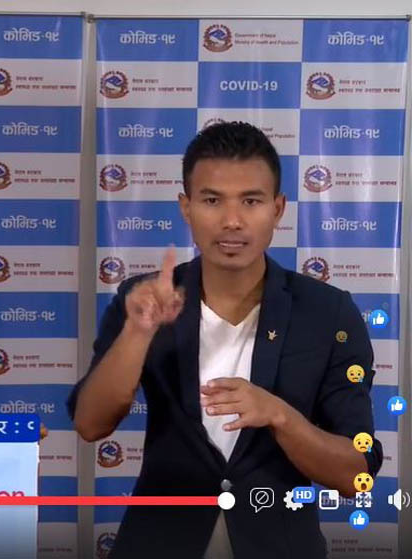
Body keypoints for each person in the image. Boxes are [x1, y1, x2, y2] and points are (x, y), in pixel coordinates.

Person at [69, 122, 381, 558]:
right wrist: (137, 333)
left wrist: (280, 416)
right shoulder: (144, 299)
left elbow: (356, 474)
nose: (232, 221)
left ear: (278, 208)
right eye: (212, 200)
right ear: (186, 207)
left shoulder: (328, 313)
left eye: (251, 201)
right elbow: (90, 424)